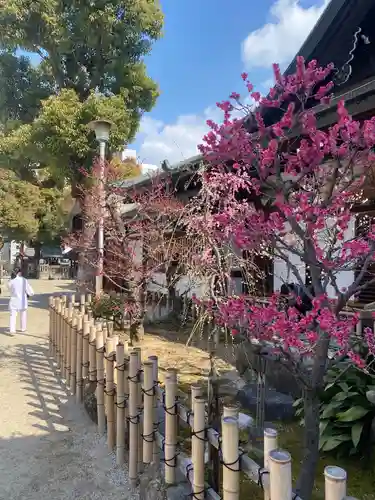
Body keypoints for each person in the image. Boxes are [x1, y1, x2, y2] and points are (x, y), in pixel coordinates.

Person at [7, 267, 34, 334]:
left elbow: (9, 289)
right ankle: (23, 328)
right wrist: (29, 294)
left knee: (12, 315)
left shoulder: (11, 281)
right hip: (22, 301)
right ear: (20, 272)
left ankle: (12, 330)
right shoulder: (24, 280)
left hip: (14, 300)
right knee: (23, 314)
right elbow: (30, 292)